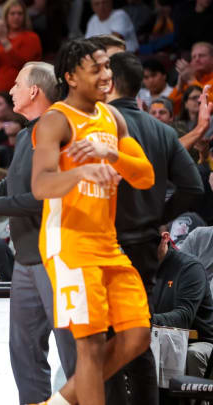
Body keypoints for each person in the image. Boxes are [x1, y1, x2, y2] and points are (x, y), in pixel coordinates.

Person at [30, 39, 154, 405]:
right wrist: (81, 170)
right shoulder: (55, 120)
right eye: (96, 68)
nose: (106, 74)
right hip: (68, 242)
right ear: (70, 76)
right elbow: (40, 185)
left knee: (137, 336)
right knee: (91, 345)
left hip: (107, 243)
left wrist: (111, 153)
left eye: (107, 66)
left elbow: (145, 176)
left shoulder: (113, 117)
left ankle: (57, 403)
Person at [104, 50, 206, 405]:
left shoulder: (99, 127)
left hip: (103, 246)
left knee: (104, 345)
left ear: (110, 83)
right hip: (144, 247)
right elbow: (194, 187)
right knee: (138, 338)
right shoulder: (162, 132)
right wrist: (156, 215)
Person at [150, 227, 213, 378]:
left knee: (193, 354)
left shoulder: (190, 268)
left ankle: (194, 401)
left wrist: (146, 321)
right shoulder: (140, 270)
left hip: (199, 340)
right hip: (158, 337)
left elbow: (183, 317)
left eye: (147, 245)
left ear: (165, 239)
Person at [0, 0, 43, 94]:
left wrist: (4, 42)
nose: (16, 17)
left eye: (20, 14)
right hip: (1, 92)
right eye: (12, 14)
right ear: (6, 16)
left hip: (23, 92)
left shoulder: (32, 38)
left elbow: (24, 65)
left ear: (24, 16)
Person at [169, 42, 213, 116]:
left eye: (201, 56)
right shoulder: (189, 83)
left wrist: (191, 80)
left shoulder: (191, 81)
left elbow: (210, 105)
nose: (197, 59)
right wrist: (179, 86)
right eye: (194, 57)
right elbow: (169, 109)